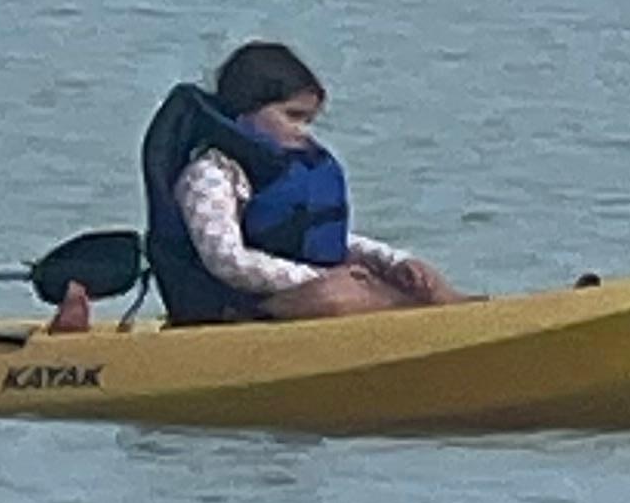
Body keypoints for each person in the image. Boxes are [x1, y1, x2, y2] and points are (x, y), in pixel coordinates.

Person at [140, 42, 464, 324]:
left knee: (418, 277)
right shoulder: (209, 175)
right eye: (292, 116)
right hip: (234, 308)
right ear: (245, 112)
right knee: (341, 295)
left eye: (308, 121)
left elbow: (322, 238)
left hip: (301, 289)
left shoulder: (286, 167)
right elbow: (227, 260)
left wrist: (392, 260)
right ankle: (431, 324)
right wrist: (318, 277)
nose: (303, 131)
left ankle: (464, 318)